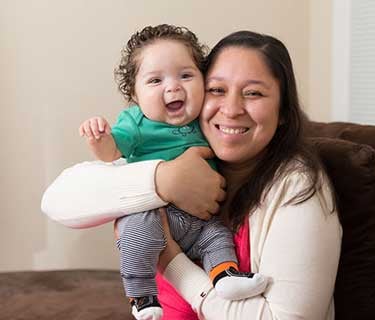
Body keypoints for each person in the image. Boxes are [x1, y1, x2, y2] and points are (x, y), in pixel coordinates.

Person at [42, 30, 342, 319]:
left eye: (253, 93)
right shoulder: (178, 147)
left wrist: (173, 263)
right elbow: (56, 201)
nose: (231, 108)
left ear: (284, 112)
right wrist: (164, 181)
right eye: (217, 90)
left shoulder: (298, 187)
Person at [76, 24, 267, 320]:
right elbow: (111, 153)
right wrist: (100, 139)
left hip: (201, 220)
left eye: (186, 75)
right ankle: (141, 295)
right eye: (155, 80)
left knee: (218, 236)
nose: (173, 87)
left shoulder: (206, 118)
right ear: (135, 95)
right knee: (136, 228)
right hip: (156, 214)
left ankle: (225, 275)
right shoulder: (137, 123)